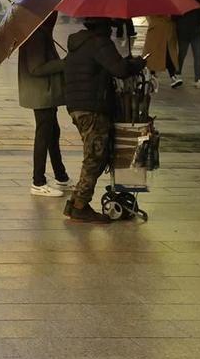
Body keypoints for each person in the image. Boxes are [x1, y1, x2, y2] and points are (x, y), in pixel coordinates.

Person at [61, 17, 143, 223]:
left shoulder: (78, 43)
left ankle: (76, 202)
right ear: (103, 26)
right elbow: (119, 70)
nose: (112, 30)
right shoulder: (100, 43)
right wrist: (136, 64)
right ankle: (80, 205)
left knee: (95, 154)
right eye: (110, 26)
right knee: (94, 157)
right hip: (93, 107)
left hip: (77, 106)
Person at [16, 25, 69, 195]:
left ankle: (61, 177)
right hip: (41, 93)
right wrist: (63, 64)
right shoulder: (35, 36)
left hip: (45, 92)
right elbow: (36, 68)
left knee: (53, 133)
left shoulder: (39, 32)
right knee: (44, 134)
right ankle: (38, 181)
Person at [171, 0, 200, 89]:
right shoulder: (178, 1)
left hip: (196, 34)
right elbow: (174, 18)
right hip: (183, 34)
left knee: (198, 56)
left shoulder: (196, 2)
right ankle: (178, 74)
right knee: (182, 54)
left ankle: (198, 79)